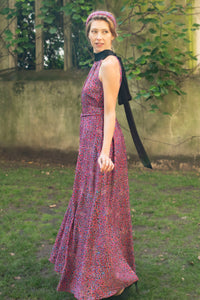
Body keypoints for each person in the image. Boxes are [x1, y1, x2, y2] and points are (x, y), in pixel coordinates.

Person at [49, 10, 138, 300]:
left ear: (113, 35)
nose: (98, 37)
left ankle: (109, 277)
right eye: (93, 31)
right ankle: (88, 271)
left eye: (104, 31)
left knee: (101, 211)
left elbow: (110, 111)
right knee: (89, 207)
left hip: (103, 144)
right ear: (87, 34)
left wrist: (103, 152)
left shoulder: (110, 64)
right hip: (91, 144)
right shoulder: (96, 63)